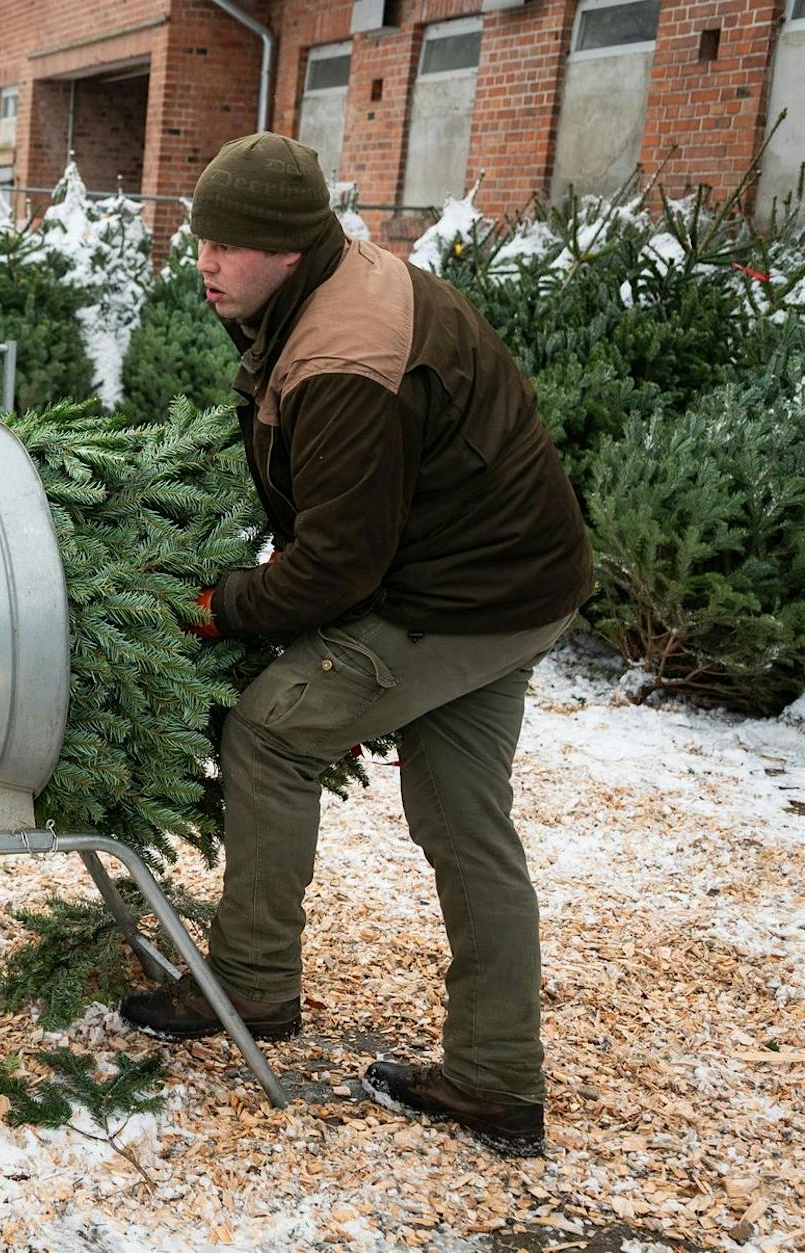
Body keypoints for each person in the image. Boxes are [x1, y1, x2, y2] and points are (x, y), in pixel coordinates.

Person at [118, 134, 591, 1158]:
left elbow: (336, 568)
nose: (204, 262)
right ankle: (495, 1077)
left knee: (268, 732)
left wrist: (215, 605)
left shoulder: (342, 358)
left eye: (229, 245)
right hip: (512, 583)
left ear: (290, 249)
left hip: (460, 597)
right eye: (200, 239)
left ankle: (248, 985)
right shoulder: (336, 289)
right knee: (467, 825)